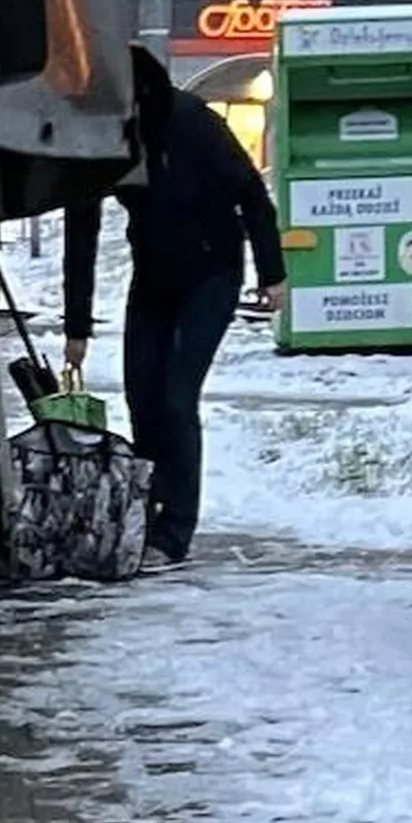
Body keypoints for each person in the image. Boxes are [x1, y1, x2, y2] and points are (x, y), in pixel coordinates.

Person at [64, 47, 288, 567]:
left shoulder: (192, 124)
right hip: (153, 278)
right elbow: (83, 229)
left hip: (212, 272)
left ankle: (174, 531)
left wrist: (271, 273)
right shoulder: (100, 139)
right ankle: (147, 509)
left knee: (176, 397)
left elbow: (252, 195)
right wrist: (77, 327)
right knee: (142, 395)